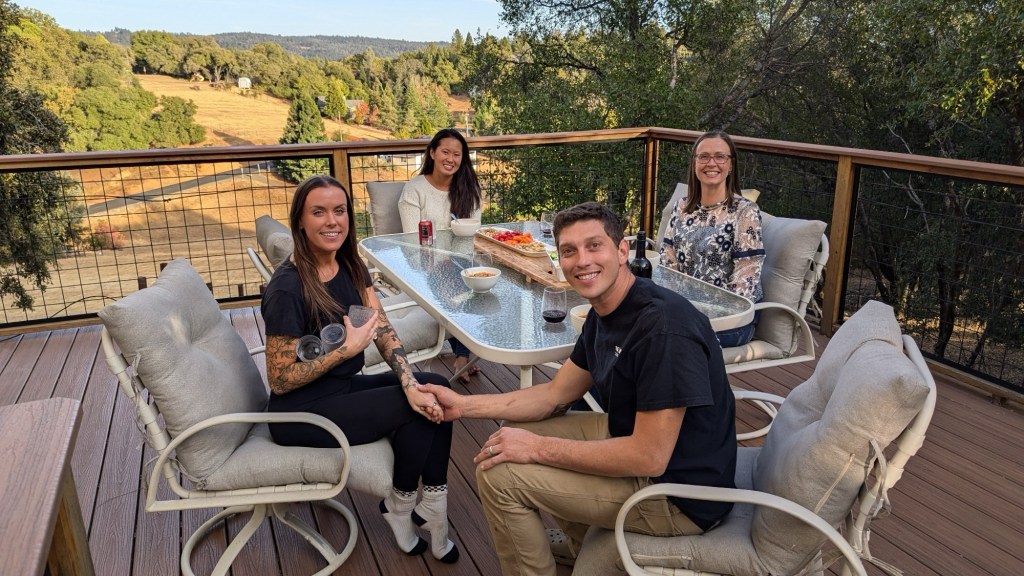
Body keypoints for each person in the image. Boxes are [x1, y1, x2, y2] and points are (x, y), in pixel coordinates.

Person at [420, 202, 737, 576]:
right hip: (632, 437)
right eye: (569, 251)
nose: (582, 260)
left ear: (622, 251)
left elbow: (649, 457)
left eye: (594, 246)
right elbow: (554, 394)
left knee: (500, 475)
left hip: (678, 493)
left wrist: (537, 449)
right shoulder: (607, 311)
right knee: (510, 439)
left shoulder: (662, 329)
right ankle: (580, 544)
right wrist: (462, 405)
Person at [261, 174, 459, 564]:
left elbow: (382, 328)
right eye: (318, 212)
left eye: (339, 210)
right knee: (415, 407)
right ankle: (403, 505)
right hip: (299, 412)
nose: (332, 221)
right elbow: (280, 380)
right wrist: (344, 351)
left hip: (338, 389)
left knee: (433, 386)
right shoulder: (288, 286)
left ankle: (430, 503)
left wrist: (407, 378)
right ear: (300, 220)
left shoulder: (350, 265)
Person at [660, 130, 765, 347]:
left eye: (720, 157)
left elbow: (746, 278)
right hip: (685, 312)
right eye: (704, 156)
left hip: (730, 319)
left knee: (666, 341)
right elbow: (667, 264)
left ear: (730, 165)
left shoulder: (744, 212)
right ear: (695, 163)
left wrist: (702, 315)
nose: (711, 163)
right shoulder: (682, 206)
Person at [399, 128, 483, 382]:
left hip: (463, 258)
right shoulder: (414, 190)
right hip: (423, 263)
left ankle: (467, 351)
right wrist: (443, 258)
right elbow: (412, 238)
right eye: (445, 151)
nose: (451, 159)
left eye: (457, 154)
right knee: (461, 285)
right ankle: (463, 353)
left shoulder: (468, 188)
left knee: (484, 277)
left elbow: (473, 231)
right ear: (433, 153)